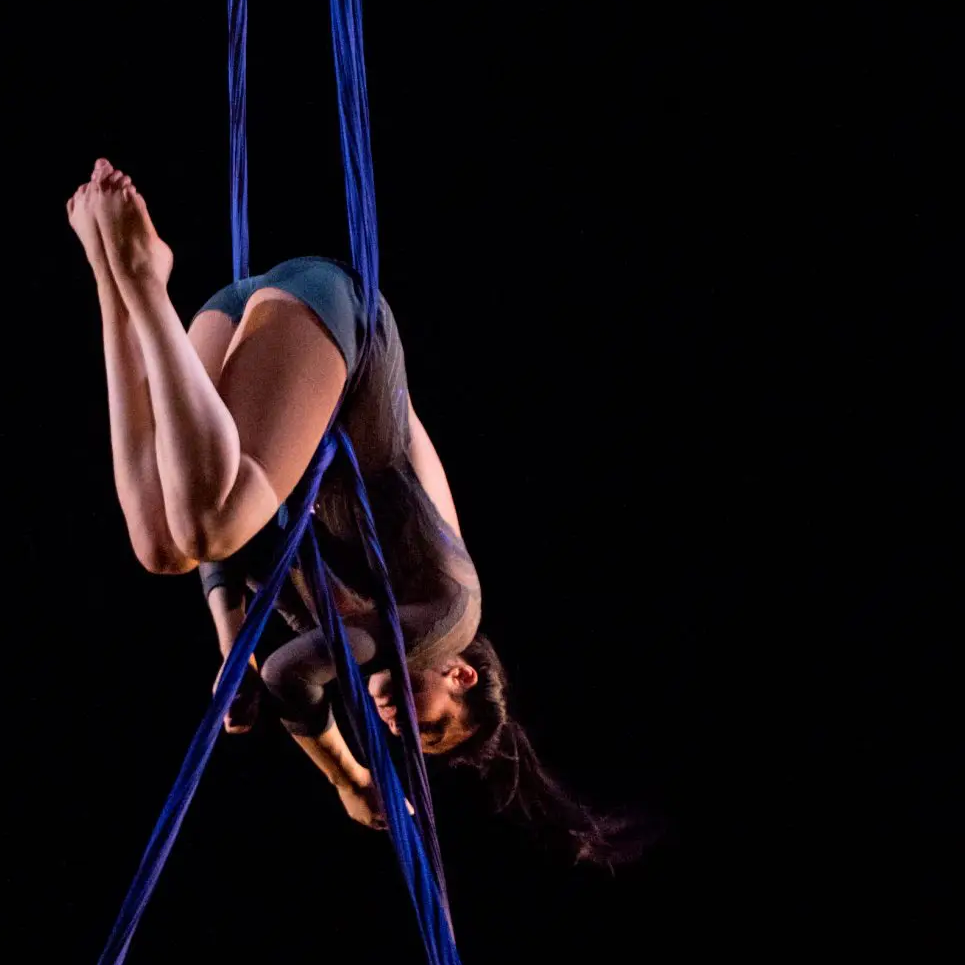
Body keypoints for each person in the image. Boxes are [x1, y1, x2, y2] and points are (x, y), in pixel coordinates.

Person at [66, 157, 640, 862]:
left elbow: (231, 561)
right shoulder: (449, 616)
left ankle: (111, 281)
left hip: (258, 338)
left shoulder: (326, 613)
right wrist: (348, 776)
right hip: (338, 326)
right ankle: (146, 284)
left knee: (163, 545)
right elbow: (291, 675)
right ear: (459, 675)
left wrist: (230, 638)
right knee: (208, 522)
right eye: (430, 730)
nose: (400, 730)